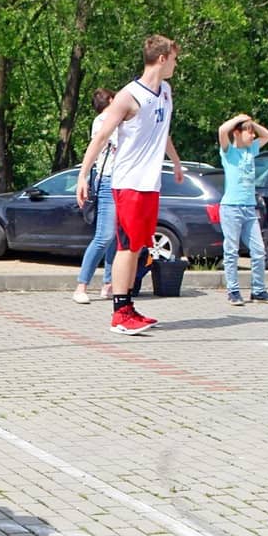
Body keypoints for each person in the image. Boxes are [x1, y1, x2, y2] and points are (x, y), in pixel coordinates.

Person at [76, 34, 184, 335]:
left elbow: (163, 131)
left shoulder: (165, 92)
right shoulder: (129, 96)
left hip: (150, 184)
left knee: (137, 246)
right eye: (174, 59)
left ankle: (129, 306)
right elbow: (101, 137)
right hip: (128, 183)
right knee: (126, 246)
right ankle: (120, 313)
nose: (176, 65)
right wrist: (83, 175)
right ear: (162, 59)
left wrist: (176, 162)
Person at [217, 114, 268, 305]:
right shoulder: (229, 152)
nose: (253, 136)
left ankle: (258, 290)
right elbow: (222, 130)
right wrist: (238, 119)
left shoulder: (251, 150)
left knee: (259, 250)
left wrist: (252, 124)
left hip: (249, 208)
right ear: (237, 133)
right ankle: (233, 291)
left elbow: (267, 135)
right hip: (231, 208)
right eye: (248, 132)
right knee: (231, 251)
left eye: (253, 133)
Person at [73, 88, 119, 304]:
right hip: (108, 179)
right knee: (104, 235)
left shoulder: (120, 119)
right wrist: (82, 177)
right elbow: (101, 145)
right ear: (110, 100)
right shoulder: (103, 121)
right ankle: (81, 285)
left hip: (123, 180)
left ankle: (109, 283)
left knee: (115, 236)